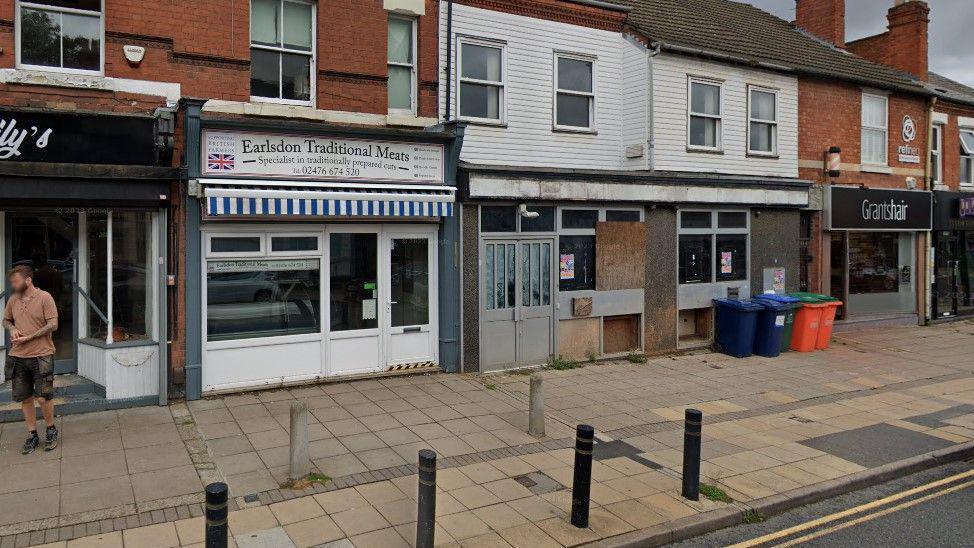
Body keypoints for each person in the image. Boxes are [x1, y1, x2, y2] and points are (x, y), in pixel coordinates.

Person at [3, 264, 59, 454]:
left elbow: (54, 324)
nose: (13, 285)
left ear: (28, 280)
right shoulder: (12, 300)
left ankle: (51, 429)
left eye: (16, 281)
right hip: (18, 356)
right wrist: (12, 328)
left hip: (42, 354)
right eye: (12, 282)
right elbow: (6, 320)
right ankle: (32, 434)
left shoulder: (45, 298)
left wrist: (32, 336)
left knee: (43, 398)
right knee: (25, 398)